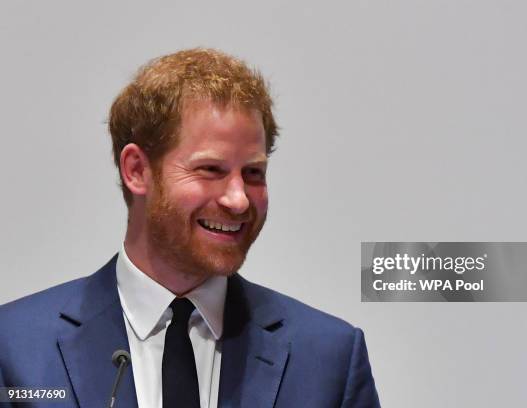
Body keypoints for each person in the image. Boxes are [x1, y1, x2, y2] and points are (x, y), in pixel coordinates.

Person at [0, 48, 380, 408]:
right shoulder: (14, 346)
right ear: (137, 170)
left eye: (253, 173)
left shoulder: (328, 358)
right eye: (211, 170)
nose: (239, 200)